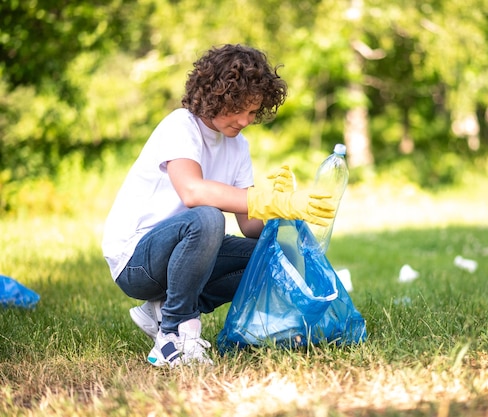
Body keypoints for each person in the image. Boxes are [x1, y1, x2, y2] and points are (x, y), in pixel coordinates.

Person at [102, 44, 335, 367]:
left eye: (253, 112)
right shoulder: (180, 126)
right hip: (136, 260)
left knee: (273, 258)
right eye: (238, 108)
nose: (244, 120)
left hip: (187, 250)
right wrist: (263, 199)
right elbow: (193, 192)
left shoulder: (238, 145)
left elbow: (250, 228)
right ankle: (173, 335)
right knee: (209, 218)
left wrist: (277, 206)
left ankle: (163, 309)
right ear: (215, 96)